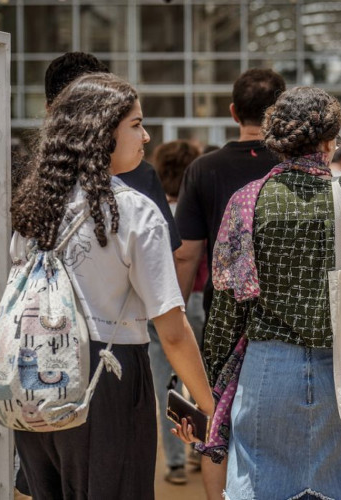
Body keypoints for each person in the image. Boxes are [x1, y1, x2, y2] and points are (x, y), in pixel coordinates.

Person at [10, 73, 214, 499]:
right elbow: (172, 332)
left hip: (32, 375)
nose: (147, 135)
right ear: (103, 133)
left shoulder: (37, 203)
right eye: (136, 124)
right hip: (108, 375)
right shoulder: (135, 212)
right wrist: (210, 408)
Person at [200, 87, 341, 499]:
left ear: (277, 138)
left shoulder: (248, 202)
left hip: (268, 371)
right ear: (331, 139)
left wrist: (209, 379)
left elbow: (227, 308)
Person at [173, 69, 284, 495]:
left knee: (216, 421)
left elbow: (187, 253)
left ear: (233, 111)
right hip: (281, 318)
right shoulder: (292, 167)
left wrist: (177, 315)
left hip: (222, 317)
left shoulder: (204, 170)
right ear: (279, 113)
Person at [44, 52, 181, 253]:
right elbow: (163, 262)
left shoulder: (31, 185)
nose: (145, 136)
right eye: (135, 124)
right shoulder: (137, 190)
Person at [146, 140, 203, 485]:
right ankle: (201, 445)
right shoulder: (194, 210)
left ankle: (176, 462)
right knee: (201, 381)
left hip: (158, 305)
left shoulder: (150, 209)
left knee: (165, 385)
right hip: (196, 298)